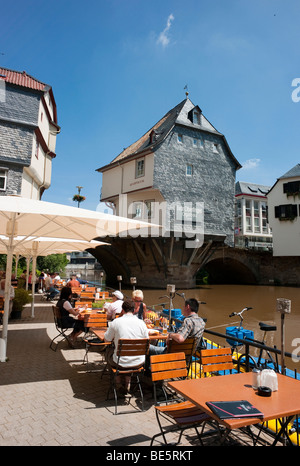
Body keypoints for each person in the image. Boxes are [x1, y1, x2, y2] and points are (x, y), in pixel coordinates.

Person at [104, 299, 149, 394]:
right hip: (138, 362)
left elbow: (106, 339)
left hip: (121, 362)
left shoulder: (116, 322)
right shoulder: (142, 323)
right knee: (126, 355)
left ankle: (118, 383)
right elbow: (146, 340)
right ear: (134, 310)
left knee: (109, 352)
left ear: (122, 310)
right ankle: (128, 383)